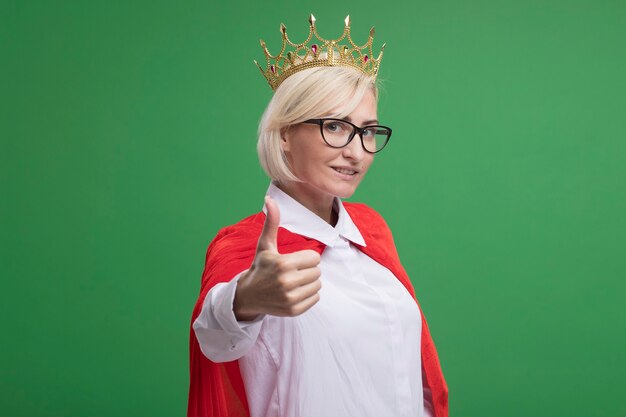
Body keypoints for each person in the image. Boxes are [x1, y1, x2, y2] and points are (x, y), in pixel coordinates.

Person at [188, 14, 448, 417]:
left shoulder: (371, 230)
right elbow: (213, 336)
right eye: (334, 126)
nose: (357, 152)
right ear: (285, 132)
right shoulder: (245, 246)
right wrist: (246, 299)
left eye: (367, 131)